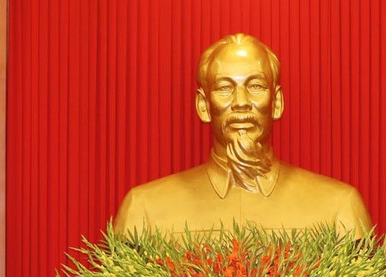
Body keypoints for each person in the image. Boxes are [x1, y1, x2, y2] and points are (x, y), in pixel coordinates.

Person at [114, 33, 372, 235]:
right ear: (203, 105)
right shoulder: (143, 210)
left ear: (277, 102)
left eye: (255, 86)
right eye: (224, 88)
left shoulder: (339, 208)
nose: (241, 102)